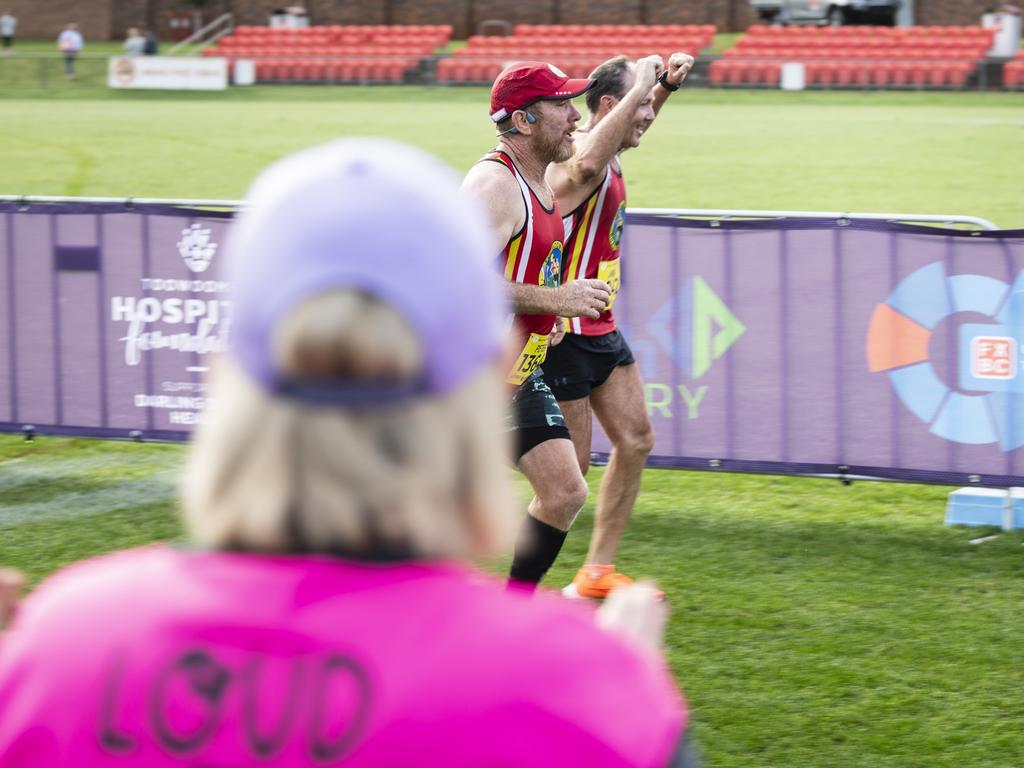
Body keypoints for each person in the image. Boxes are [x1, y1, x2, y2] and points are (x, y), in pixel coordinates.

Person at [0, 138, 698, 767]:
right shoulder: (576, 686)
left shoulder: (61, 644)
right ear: (490, 374)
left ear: (226, 378)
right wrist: (627, 696)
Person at [545, 52, 694, 600]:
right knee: (568, 478)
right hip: (563, 331)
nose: (648, 116)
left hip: (600, 325)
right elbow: (585, 166)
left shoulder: (615, 144)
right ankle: (520, 590)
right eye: (640, 104)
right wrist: (648, 91)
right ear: (610, 106)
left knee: (636, 440)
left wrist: (667, 89)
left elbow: (632, 123)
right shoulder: (580, 156)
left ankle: (596, 573)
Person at [461, 62, 615, 592]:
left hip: (512, 372)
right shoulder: (494, 185)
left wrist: (542, 317)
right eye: (563, 105)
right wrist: (556, 299)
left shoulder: (536, 180)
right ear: (524, 121)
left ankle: (513, 610)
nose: (576, 116)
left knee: (565, 490)